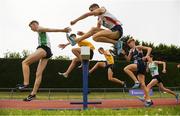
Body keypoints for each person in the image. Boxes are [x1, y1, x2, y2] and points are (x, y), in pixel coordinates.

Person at [16, 20, 71, 101]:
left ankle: (25, 83)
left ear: (34, 25)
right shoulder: (39, 31)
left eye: (31, 27)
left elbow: (49, 29)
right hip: (47, 52)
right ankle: (33, 94)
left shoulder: (39, 28)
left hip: (43, 49)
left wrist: (63, 30)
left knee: (25, 63)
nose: (31, 29)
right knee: (38, 74)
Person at [122, 38, 153, 107]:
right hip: (139, 66)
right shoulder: (131, 51)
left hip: (141, 64)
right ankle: (149, 101)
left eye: (130, 42)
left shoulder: (138, 47)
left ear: (133, 42)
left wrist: (147, 56)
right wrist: (124, 54)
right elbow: (128, 59)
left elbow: (149, 48)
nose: (130, 44)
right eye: (128, 43)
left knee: (126, 69)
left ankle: (136, 81)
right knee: (142, 84)